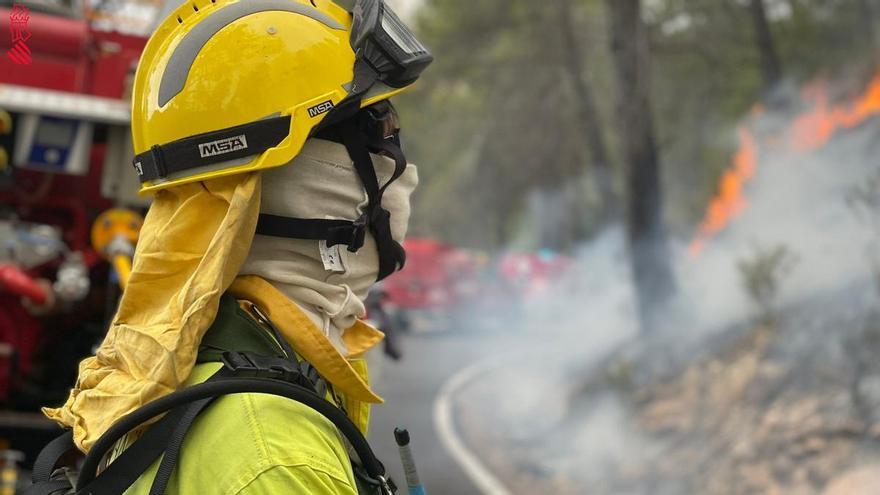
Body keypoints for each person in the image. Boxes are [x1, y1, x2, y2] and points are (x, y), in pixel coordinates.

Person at [33, 0, 432, 493]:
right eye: (380, 131)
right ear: (286, 174)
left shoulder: (186, 363)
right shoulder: (281, 462)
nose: (399, 163)